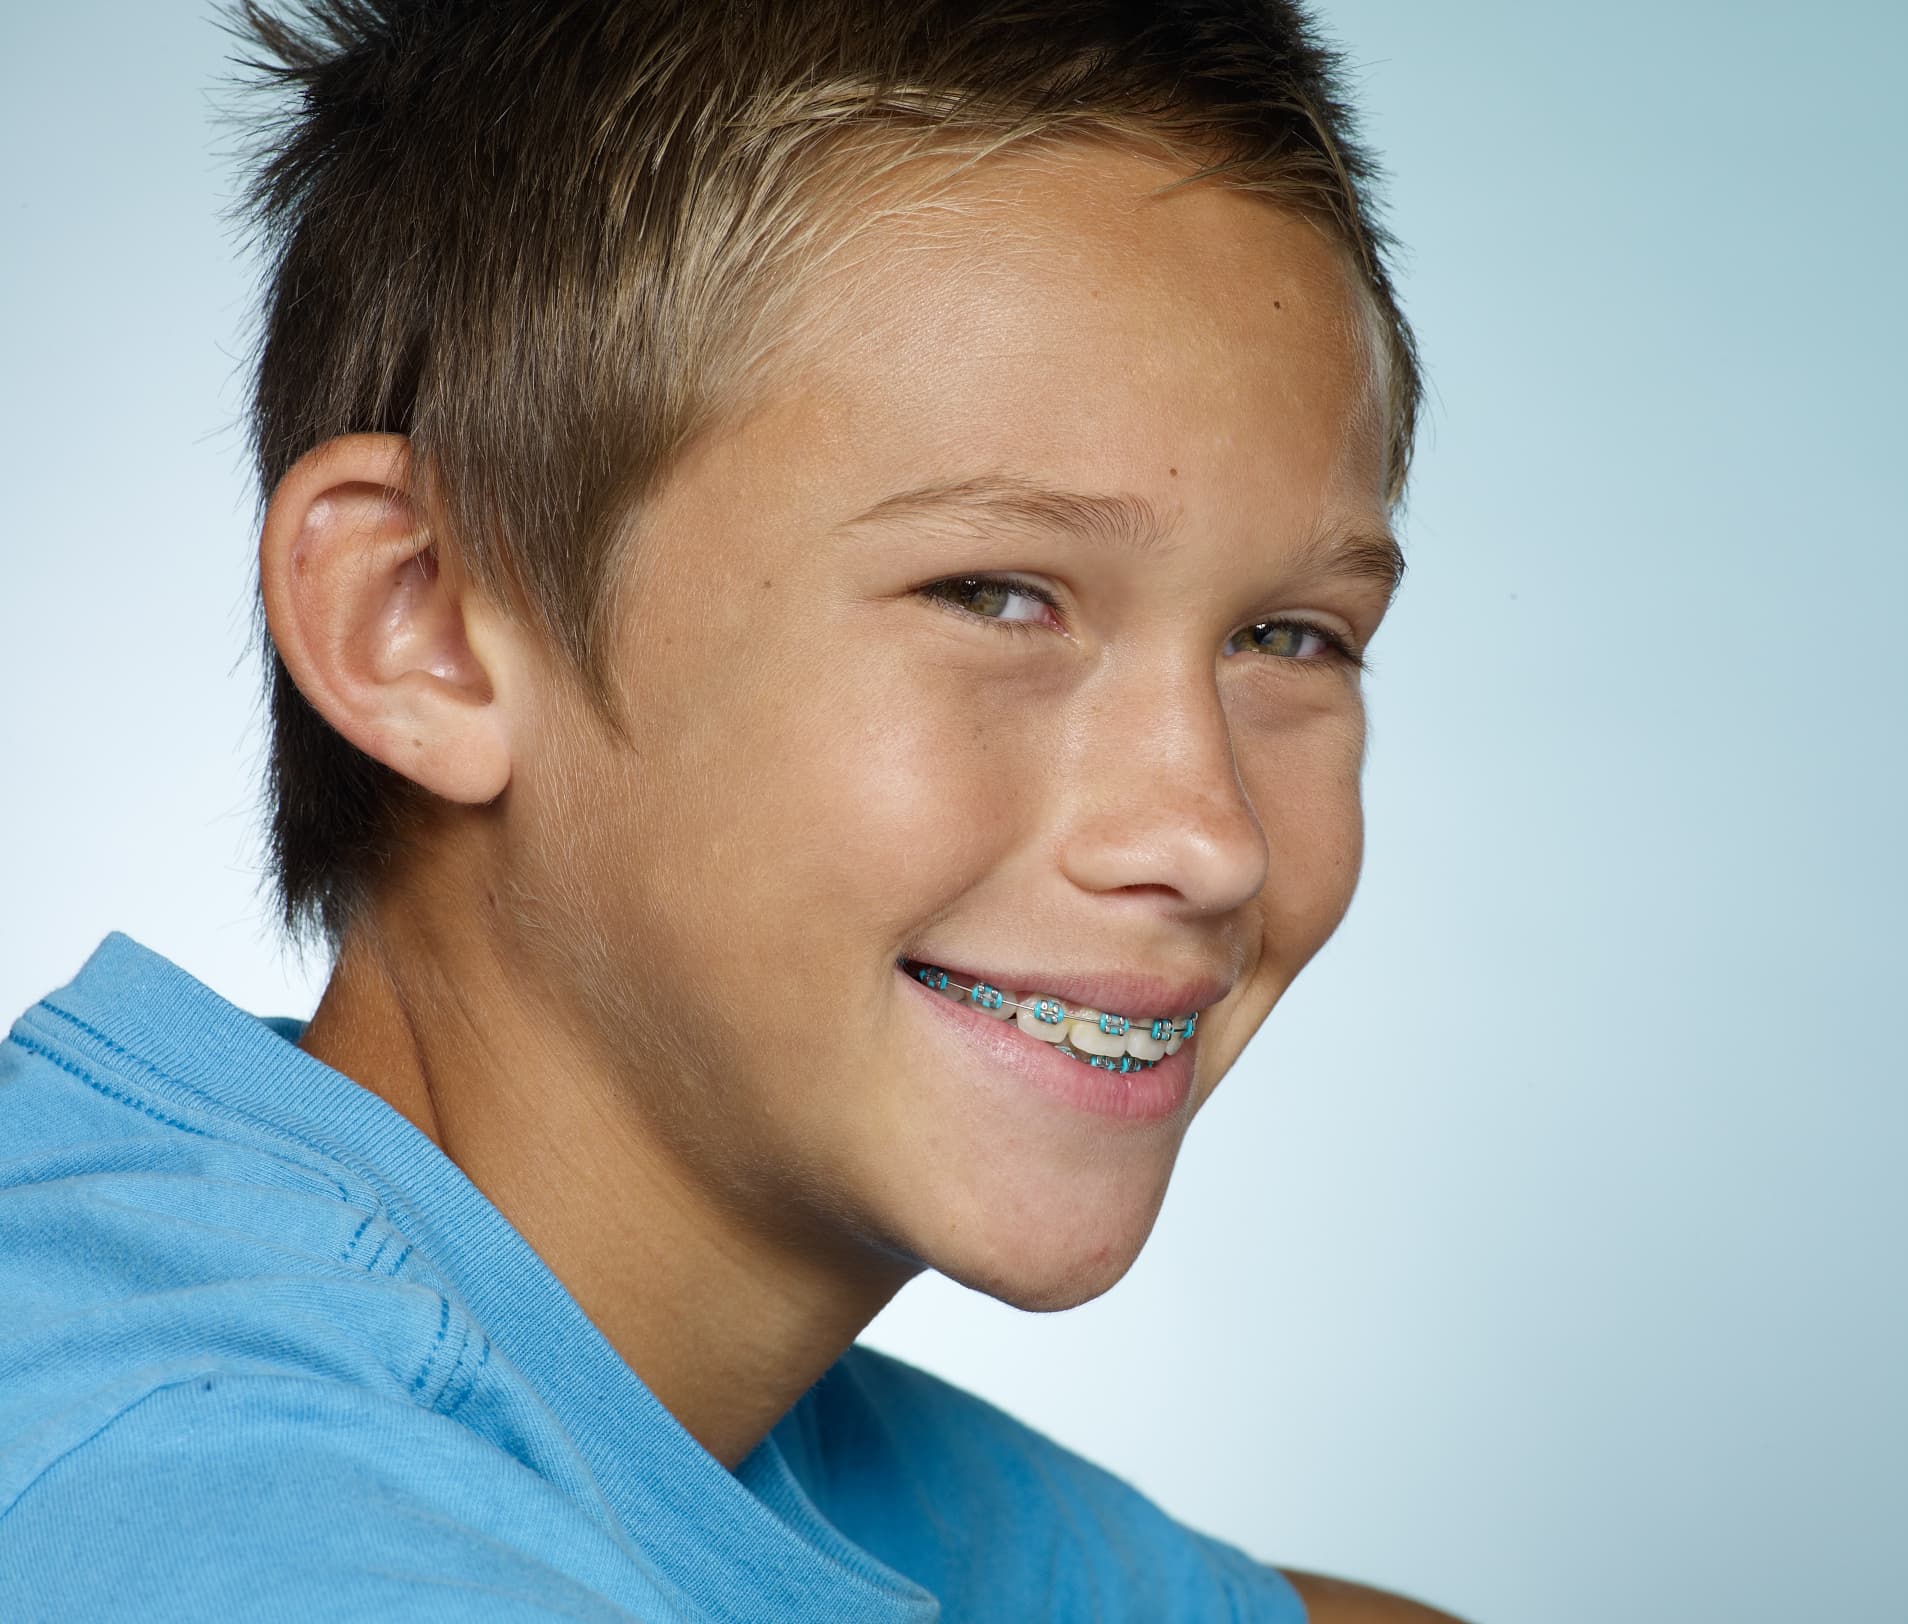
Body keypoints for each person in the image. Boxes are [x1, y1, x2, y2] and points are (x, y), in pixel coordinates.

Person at [0, 1, 1461, 1617]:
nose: (1207, 837)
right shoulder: (225, 1510)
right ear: (415, 619)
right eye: (994, 594)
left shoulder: (695, 1427)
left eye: (1287, 638)